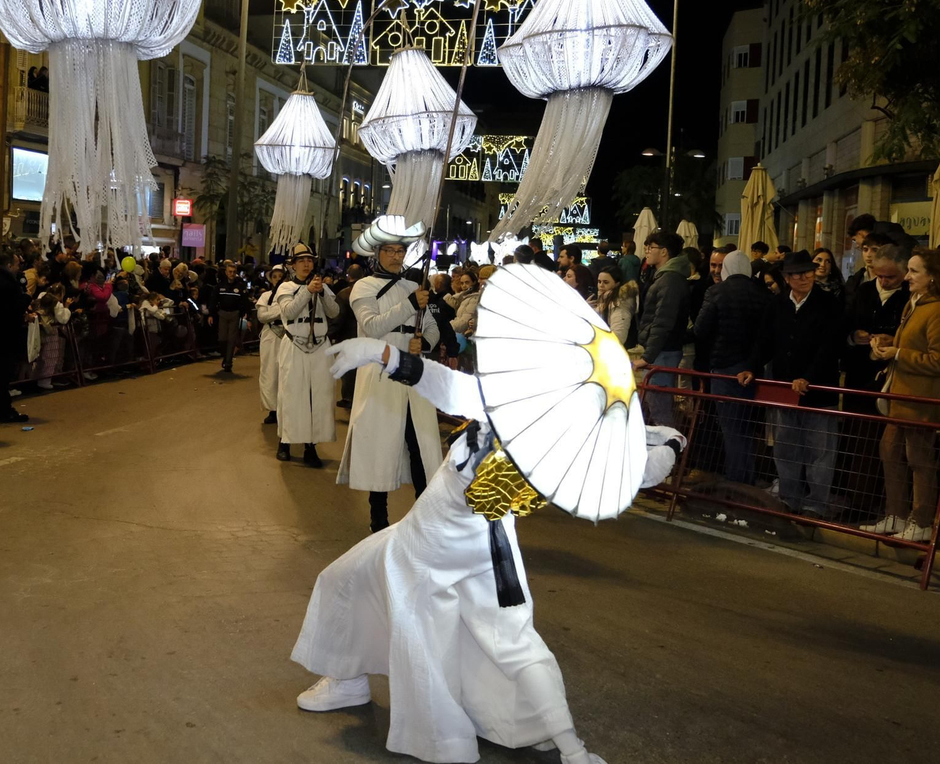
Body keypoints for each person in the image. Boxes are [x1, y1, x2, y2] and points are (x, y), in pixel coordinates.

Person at [293, 306, 683, 764]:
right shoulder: (552, 425)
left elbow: (455, 392)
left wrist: (382, 355)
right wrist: (664, 442)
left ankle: (397, 707)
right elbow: (633, 465)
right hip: (485, 548)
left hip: (429, 547)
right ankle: (569, 747)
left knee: (368, 595)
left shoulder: (535, 420)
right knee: (510, 641)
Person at [339, 217, 441, 533]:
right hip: (380, 370)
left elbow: (432, 326)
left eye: (400, 251)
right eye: (390, 251)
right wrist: (411, 303)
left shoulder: (415, 285)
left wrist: (424, 341)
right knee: (380, 443)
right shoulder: (363, 287)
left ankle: (426, 517)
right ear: (377, 254)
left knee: (419, 442)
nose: (396, 257)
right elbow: (373, 326)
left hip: (412, 370)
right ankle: (378, 518)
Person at [862, 249, 940, 540]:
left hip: (922, 401)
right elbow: (912, 346)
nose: (906, 276)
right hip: (902, 398)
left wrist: (898, 352)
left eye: (913, 271)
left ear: (933, 277)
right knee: (890, 452)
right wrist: (887, 343)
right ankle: (896, 514)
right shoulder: (917, 304)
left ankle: (921, 522)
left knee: (919, 460)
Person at [763, 251, 846, 517]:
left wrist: (808, 377)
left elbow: (829, 346)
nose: (805, 277)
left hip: (819, 389)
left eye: (809, 272)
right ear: (787, 278)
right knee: (786, 445)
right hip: (785, 388)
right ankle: (790, 497)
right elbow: (766, 341)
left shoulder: (828, 303)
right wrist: (750, 367)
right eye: (798, 274)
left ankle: (816, 503)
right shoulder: (777, 304)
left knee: (820, 450)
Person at [692, 250, 773, 484]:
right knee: (746, 427)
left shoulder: (716, 292)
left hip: (725, 368)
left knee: (731, 428)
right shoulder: (763, 294)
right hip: (754, 369)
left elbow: (700, 329)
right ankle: (747, 477)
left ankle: (737, 481)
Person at [271, 245, 339, 467]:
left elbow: (334, 312)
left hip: (320, 346)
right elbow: (289, 311)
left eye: (309, 260)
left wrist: (322, 292)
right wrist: (307, 291)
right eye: (301, 260)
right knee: (291, 395)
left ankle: (311, 445)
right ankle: (285, 441)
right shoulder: (285, 287)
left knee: (317, 397)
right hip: (295, 344)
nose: (306, 264)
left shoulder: (321, 286)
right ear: (292, 264)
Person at [633, 229, 690, 430]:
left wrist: (648, 356)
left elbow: (663, 321)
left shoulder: (670, 280)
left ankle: (669, 454)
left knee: (660, 410)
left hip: (663, 352)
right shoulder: (665, 277)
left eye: (651, 247)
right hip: (662, 350)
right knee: (655, 406)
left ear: (664, 252)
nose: (647, 251)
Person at [842, 243, 910, 400]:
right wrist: (853, 337)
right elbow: (846, 323)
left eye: (891, 277)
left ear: (904, 272)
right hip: (859, 371)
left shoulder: (910, 295)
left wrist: (895, 341)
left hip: (894, 373)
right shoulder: (864, 290)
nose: (884, 282)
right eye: (879, 276)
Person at [0, 251, 32, 423]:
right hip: (5, 334)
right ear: (10, 265)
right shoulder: (7, 284)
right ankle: (5, 409)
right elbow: (11, 309)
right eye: (17, 264)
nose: (19, 267)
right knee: (2, 374)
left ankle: (4, 407)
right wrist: (26, 298)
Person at [255, 264, 286, 425]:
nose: (278, 280)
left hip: (288, 336)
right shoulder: (266, 296)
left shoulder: (290, 295)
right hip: (270, 336)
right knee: (269, 373)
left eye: (281, 277)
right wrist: (282, 311)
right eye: (275, 277)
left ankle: (285, 408)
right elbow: (262, 316)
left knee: (286, 373)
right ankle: (272, 410)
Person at [330, 263, 365, 409]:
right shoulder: (370, 292)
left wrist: (330, 335)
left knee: (348, 370)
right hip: (365, 337)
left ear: (348, 276)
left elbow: (338, 319)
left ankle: (348, 397)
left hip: (347, 338)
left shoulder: (343, 294)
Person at [210, 259, 249, 372]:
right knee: (222, 338)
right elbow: (213, 300)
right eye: (230, 271)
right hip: (222, 313)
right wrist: (211, 314)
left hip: (235, 314)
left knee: (231, 339)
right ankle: (225, 356)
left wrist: (248, 315)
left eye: (233, 271)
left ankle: (228, 362)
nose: (232, 274)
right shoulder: (220, 286)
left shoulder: (240, 286)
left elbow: (245, 301)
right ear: (226, 272)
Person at [588, 268, 636, 346]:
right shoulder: (603, 299)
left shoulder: (619, 304)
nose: (601, 285)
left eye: (606, 282)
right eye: (599, 281)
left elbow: (618, 336)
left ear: (616, 283)